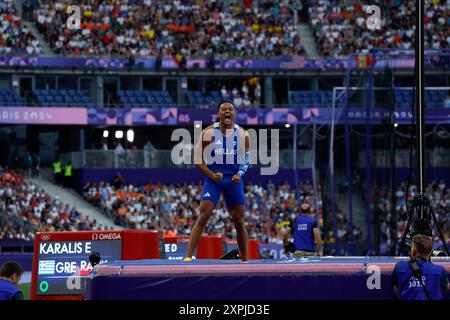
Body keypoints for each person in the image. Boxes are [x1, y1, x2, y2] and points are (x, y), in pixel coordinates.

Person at [184, 100, 250, 262]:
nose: (227, 111)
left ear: (234, 113)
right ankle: (188, 256)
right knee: (204, 215)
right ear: (219, 113)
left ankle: (245, 259)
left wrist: (240, 174)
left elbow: (247, 159)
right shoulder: (208, 133)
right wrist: (211, 174)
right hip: (214, 179)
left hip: (233, 181)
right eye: (223, 109)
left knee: (239, 220)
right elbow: (198, 160)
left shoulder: (243, 134)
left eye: (230, 109)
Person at [392, 234, 449, 300]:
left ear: (413, 251)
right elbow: (446, 288)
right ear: (430, 252)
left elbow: (397, 291)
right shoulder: (439, 270)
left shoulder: (399, 267)